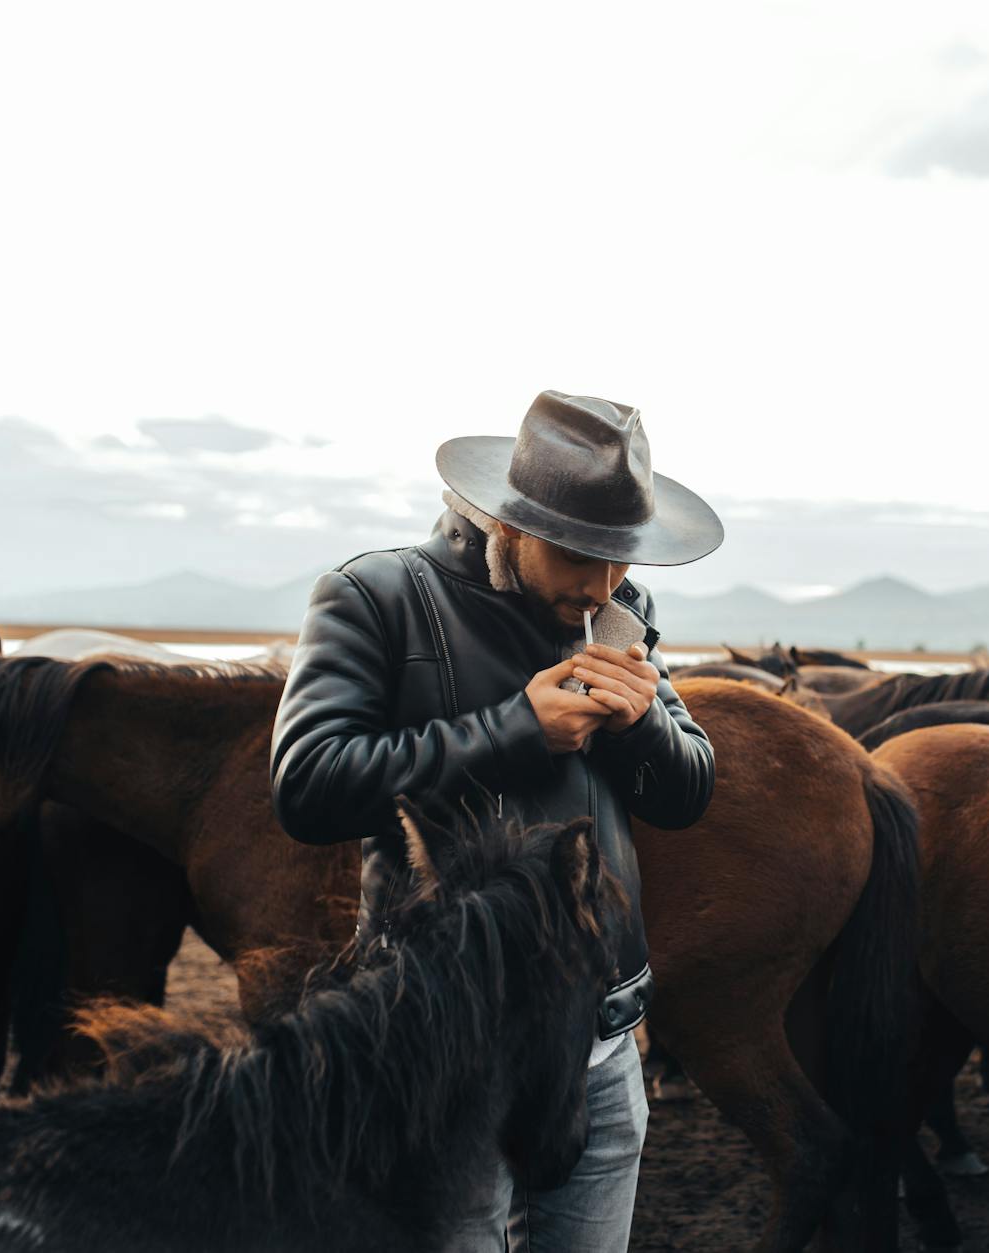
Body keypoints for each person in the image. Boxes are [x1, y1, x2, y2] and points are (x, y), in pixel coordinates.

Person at [270, 389, 721, 1250]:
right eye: (577, 554)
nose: (601, 583)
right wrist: (515, 730)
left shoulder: (624, 614)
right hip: (443, 1039)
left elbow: (689, 790)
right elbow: (306, 785)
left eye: (621, 558)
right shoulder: (376, 596)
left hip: (601, 1044)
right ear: (507, 521)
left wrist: (643, 727)